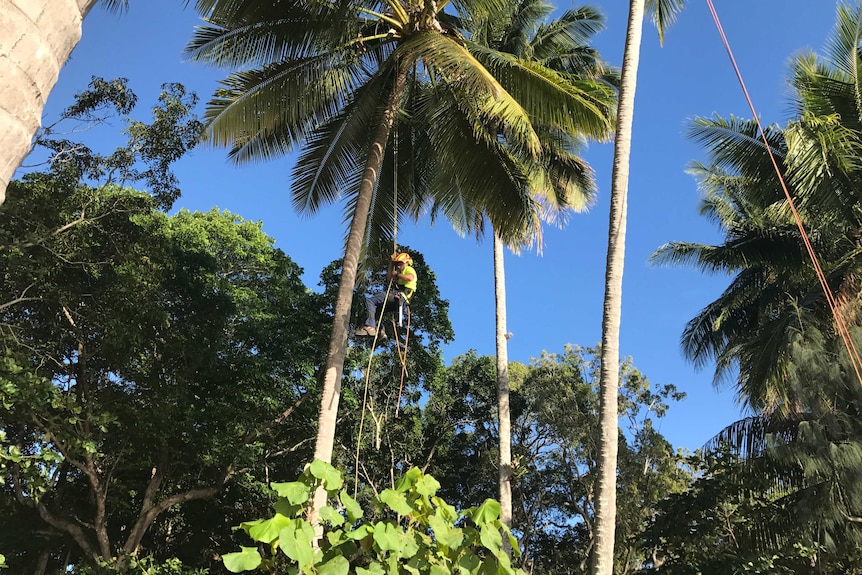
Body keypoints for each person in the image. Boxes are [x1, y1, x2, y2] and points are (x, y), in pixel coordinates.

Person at [354, 252, 417, 338]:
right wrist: (391, 263)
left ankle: (370, 326)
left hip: (399, 296)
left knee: (371, 301)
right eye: (397, 264)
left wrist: (397, 275)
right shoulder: (401, 273)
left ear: (406, 262)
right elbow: (389, 277)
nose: (398, 266)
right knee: (378, 309)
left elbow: (410, 278)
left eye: (400, 264)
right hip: (399, 301)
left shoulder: (408, 269)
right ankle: (381, 331)